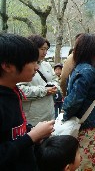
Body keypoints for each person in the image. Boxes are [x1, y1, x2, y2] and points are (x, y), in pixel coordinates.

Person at [0, 33, 55, 170]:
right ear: (7, 66)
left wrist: (31, 130)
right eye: (32, 62)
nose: (36, 67)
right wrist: (32, 136)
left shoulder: (13, 90)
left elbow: (13, 132)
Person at [62, 33, 95, 170]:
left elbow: (83, 98)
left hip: (90, 123)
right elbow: (74, 100)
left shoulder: (83, 68)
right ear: (91, 49)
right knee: (92, 164)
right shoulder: (87, 71)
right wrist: (65, 116)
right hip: (90, 127)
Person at [18, 35, 60, 126]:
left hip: (49, 113)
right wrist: (44, 90)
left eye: (46, 49)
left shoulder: (46, 65)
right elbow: (20, 90)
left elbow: (55, 80)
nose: (45, 52)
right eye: (42, 49)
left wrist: (54, 87)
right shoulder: (23, 66)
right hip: (33, 117)